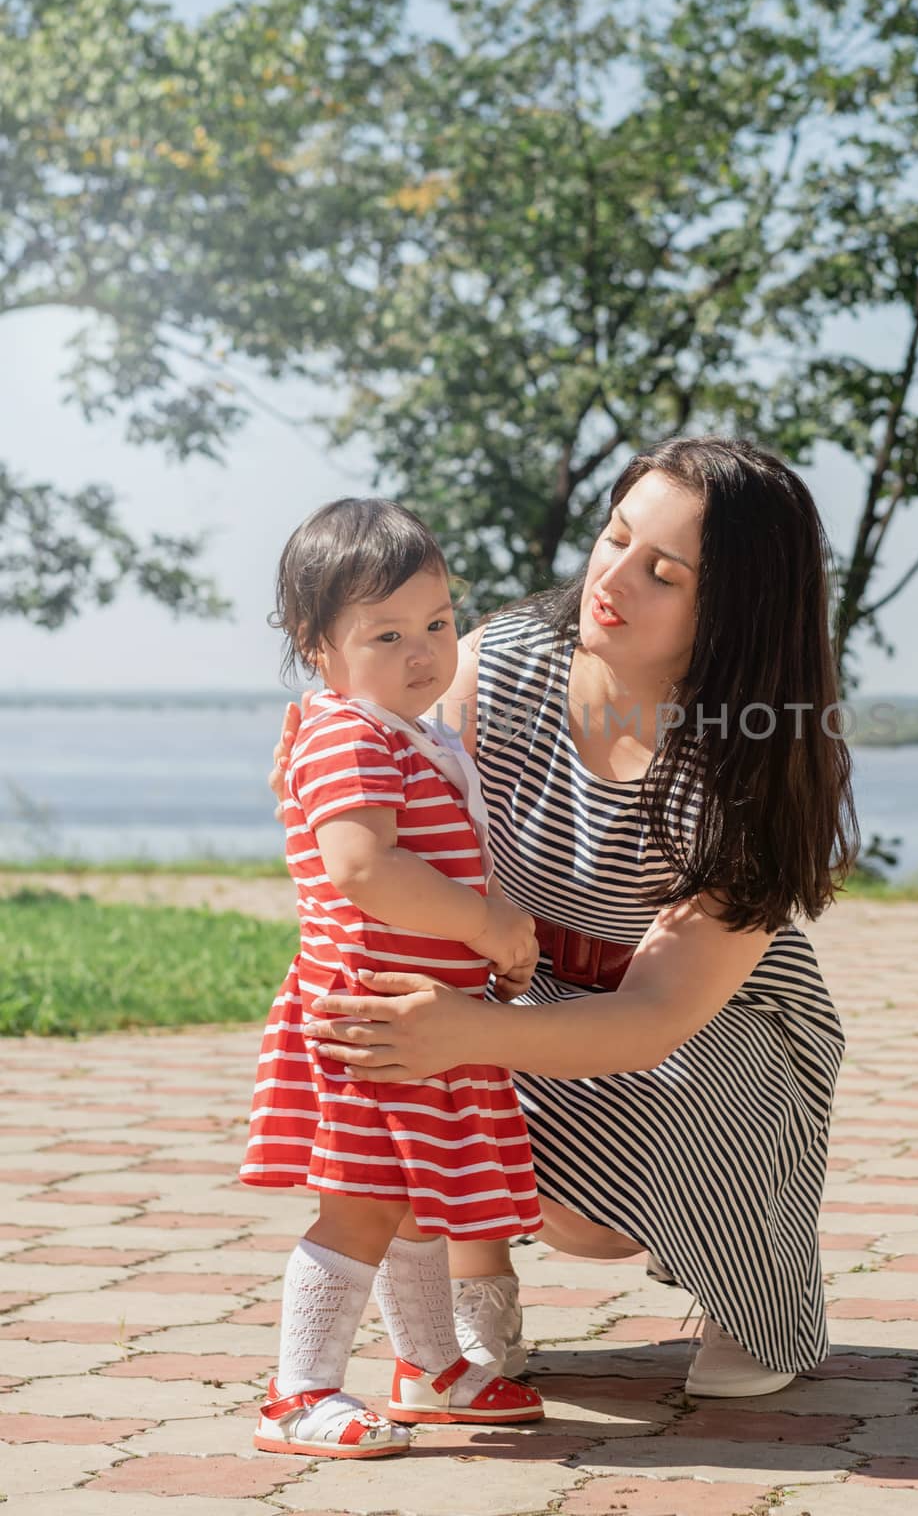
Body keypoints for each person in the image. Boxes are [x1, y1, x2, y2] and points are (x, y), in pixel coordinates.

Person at [271, 438, 858, 1398]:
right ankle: (471, 1307)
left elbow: (655, 1017)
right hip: (514, 969)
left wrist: (468, 1029)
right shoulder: (498, 666)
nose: (612, 579)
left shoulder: (755, 761)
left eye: (663, 572)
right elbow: (383, 809)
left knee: (651, 1105)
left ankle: (750, 1298)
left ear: (735, 608)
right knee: (417, 1053)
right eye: (614, 537)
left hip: (707, 1026)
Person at [242, 497, 547, 1460]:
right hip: (369, 1017)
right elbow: (364, 869)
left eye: (438, 625)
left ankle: (431, 1369)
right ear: (316, 644)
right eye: (386, 633)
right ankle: (299, 1392)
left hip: (424, 1019)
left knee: (416, 1199)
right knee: (365, 1203)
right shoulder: (349, 735)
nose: (423, 653)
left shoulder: (411, 732)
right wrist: (491, 923)